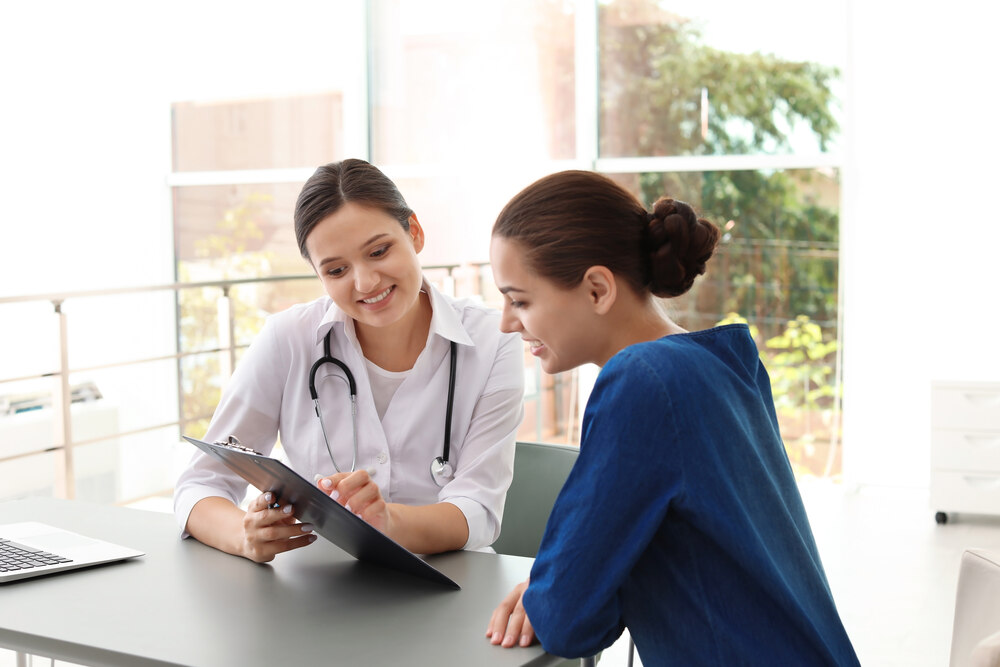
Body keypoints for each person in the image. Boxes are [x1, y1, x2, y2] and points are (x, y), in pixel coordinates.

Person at [485, 170, 859, 664]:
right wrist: (562, 584)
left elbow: (565, 621)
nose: (506, 322)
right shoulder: (727, 361)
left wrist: (553, 586)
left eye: (519, 300)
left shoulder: (641, 381)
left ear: (597, 289)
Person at [174, 159, 524, 562]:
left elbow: (478, 511)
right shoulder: (289, 339)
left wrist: (387, 523)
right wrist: (245, 536)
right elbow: (200, 485)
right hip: (321, 584)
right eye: (337, 270)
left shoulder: (493, 341)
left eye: (379, 251)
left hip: (453, 580)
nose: (366, 282)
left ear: (414, 232)